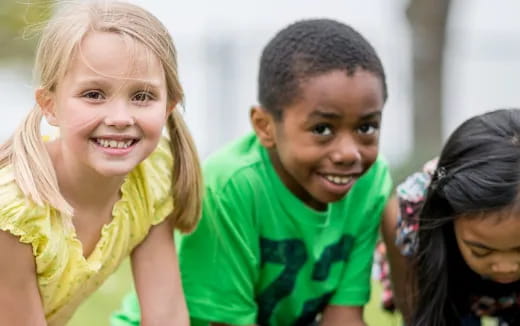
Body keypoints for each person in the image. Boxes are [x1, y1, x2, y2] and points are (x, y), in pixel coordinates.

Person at [113, 18, 396, 326]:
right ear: (265, 127)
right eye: (322, 129)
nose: (348, 153)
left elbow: (344, 317)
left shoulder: (370, 182)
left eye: (366, 127)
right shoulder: (231, 185)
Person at [0, 1, 202, 325]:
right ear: (49, 106)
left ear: (168, 107)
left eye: (142, 96)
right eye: (94, 94)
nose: (120, 118)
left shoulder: (151, 174)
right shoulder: (14, 214)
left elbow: (166, 315)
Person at [384, 109, 520, 326]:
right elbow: (417, 315)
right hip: (451, 290)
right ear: (448, 213)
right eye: (481, 250)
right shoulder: (411, 215)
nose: (506, 266)